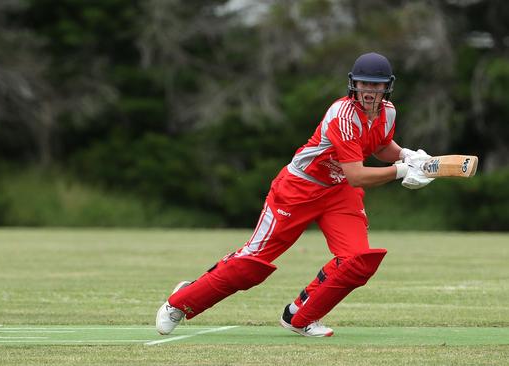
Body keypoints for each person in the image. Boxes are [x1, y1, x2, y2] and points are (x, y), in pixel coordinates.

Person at [155, 52, 434, 337]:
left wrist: (405, 154)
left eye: (376, 85)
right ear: (354, 84)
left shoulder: (388, 112)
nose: (369, 91)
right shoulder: (343, 116)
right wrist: (401, 170)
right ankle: (180, 303)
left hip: (339, 192)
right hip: (299, 188)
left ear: (387, 86)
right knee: (252, 264)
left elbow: (378, 144)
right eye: (364, 84)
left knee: (358, 260)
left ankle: (299, 317)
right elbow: (358, 175)